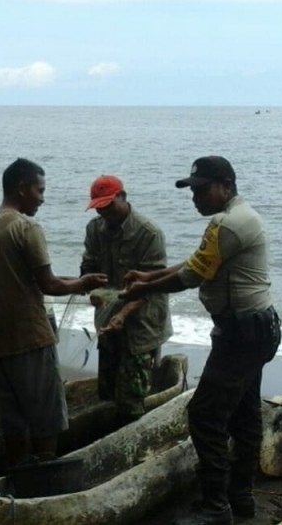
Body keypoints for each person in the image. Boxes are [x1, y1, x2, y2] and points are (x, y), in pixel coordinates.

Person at [121, 156, 281, 525]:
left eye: (201, 189)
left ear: (225, 185)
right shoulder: (236, 219)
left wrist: (143, 289)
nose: (195, 197)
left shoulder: (227, 223)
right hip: (255, 330)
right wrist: (150, 276)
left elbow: (191, 276)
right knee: (243, 414)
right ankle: (240, 500)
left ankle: (216, 507)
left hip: (242, 335)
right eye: (192, 190)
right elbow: (198, 263)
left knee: (205, 415)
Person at [0, 157, 108, 466]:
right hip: (30, 337)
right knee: (46, 415)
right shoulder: (26, 227)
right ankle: (46, 471)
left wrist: (76, 281)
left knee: (11, 418)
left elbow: (24, 277)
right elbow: (47, 284)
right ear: (22, 189)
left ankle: (17, 474)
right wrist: (80, 285)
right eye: (39, 190)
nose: (42, 198)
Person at [79, 174, 171, 425]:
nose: (104, 211)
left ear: (123, 197)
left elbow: (151, 286)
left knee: (132, 397)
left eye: (109, 204)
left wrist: (122, 315)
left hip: (142, 325)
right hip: (108, 321)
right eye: (99, 206)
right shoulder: (94, 228)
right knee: (107, 391)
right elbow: (89, 264)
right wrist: (89, 284)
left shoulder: (148, 233)